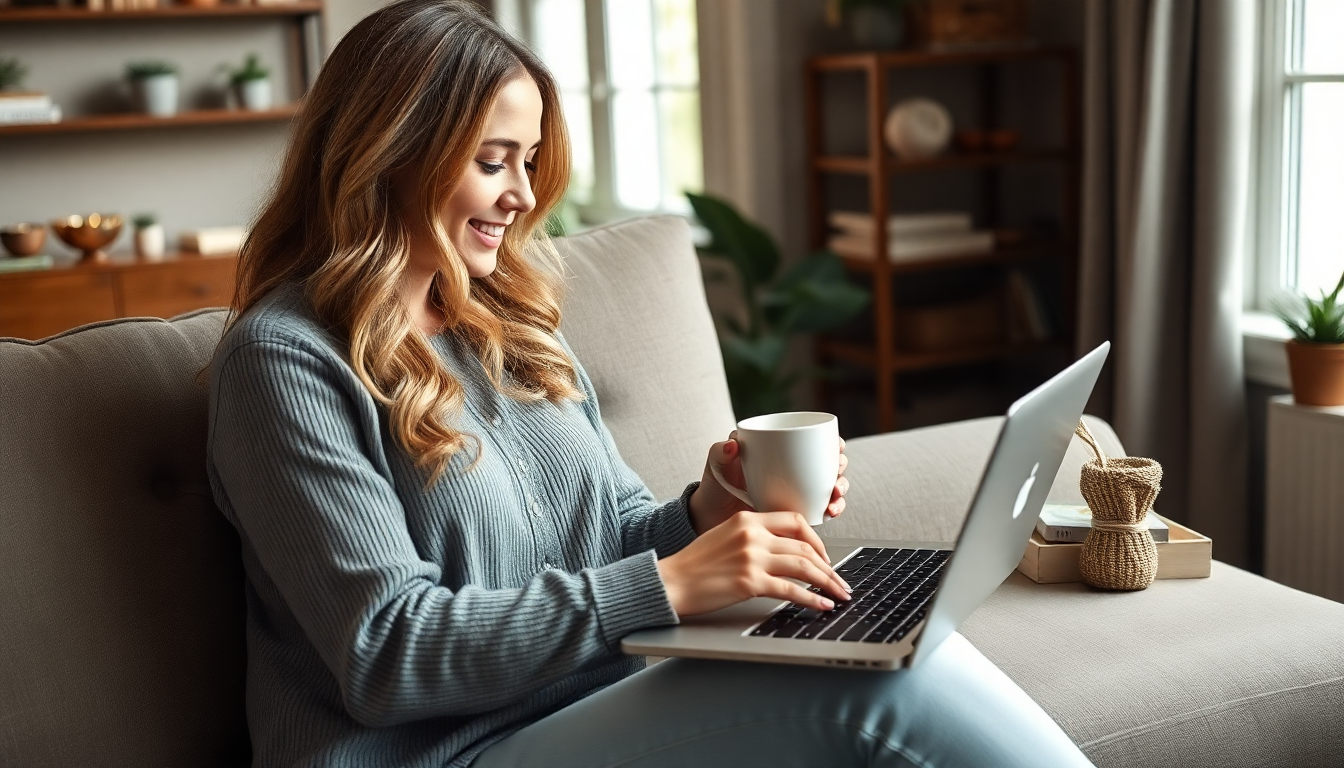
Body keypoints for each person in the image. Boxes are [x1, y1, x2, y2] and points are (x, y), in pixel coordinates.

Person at [206, 1, 1097, 766]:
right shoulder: (286, 360)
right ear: (389, 153)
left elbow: (618, 538)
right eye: (493, 160)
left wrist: (711, 510)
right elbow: (384, 652)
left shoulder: (510, 325)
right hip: (446, 752)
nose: (522, 194)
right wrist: (673, 582)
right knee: (880, 691)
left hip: (584, 713)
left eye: (528, 160)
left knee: (890, 650)